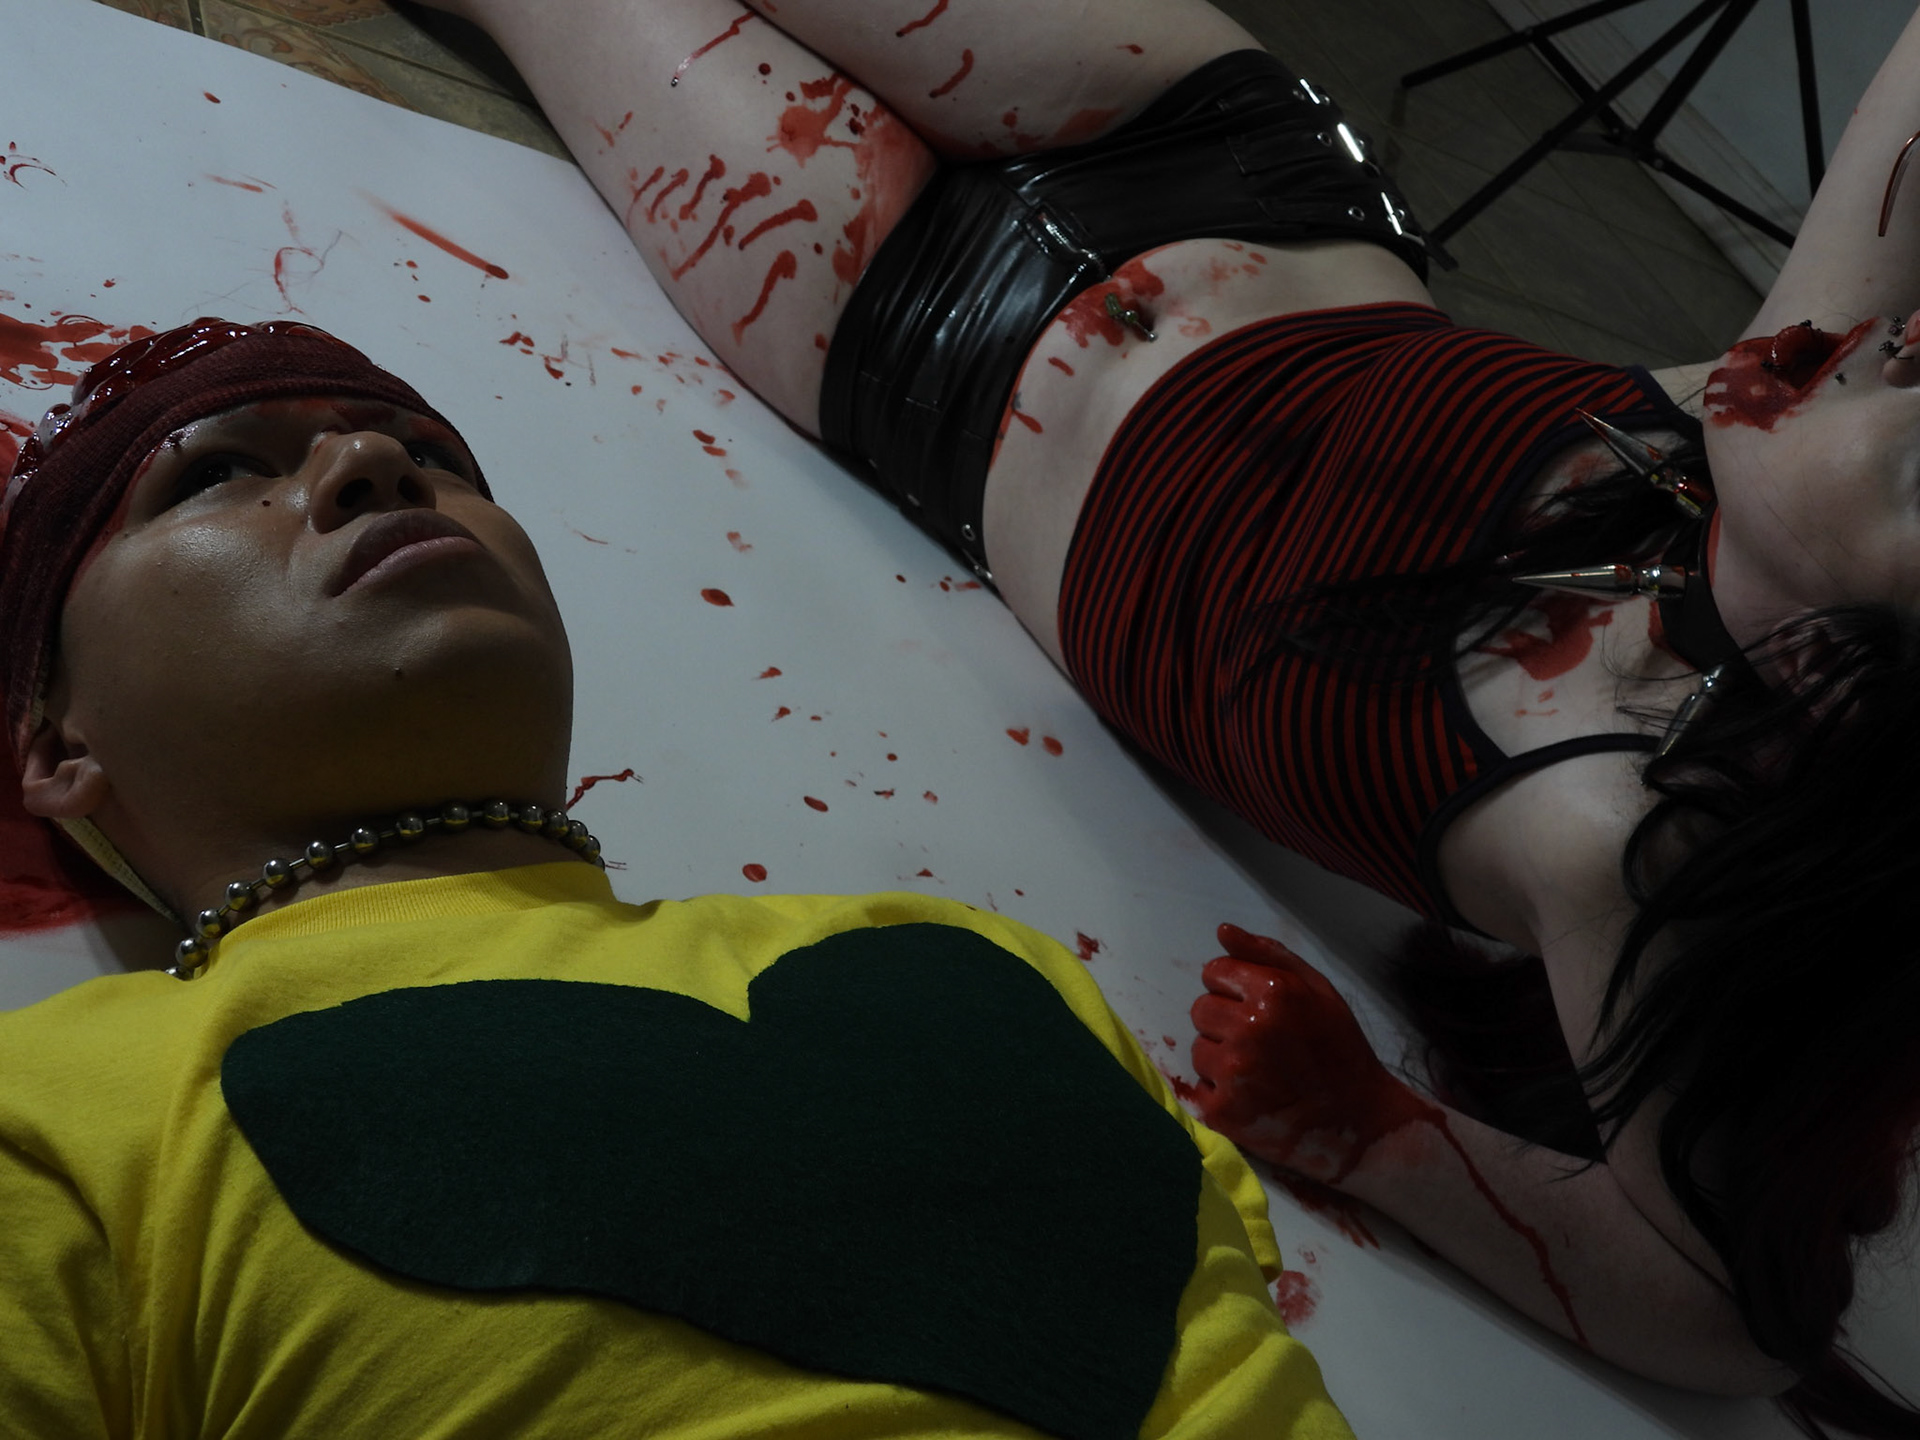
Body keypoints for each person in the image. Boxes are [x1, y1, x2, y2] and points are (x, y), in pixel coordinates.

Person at [408, 0, 1920, 1432]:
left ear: (1861, 669)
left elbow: (1731, 1316)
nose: (1901, 349)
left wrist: (1381, 1139)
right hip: (1210, 148)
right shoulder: (1793, 410)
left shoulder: (1627, 828)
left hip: (928, 342)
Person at [0, 319, 1356, 1437]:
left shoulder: (981, 960)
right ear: (59, 746)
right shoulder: (56, 1117)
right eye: (212, 474)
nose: (372, 461)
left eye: (433, 456)